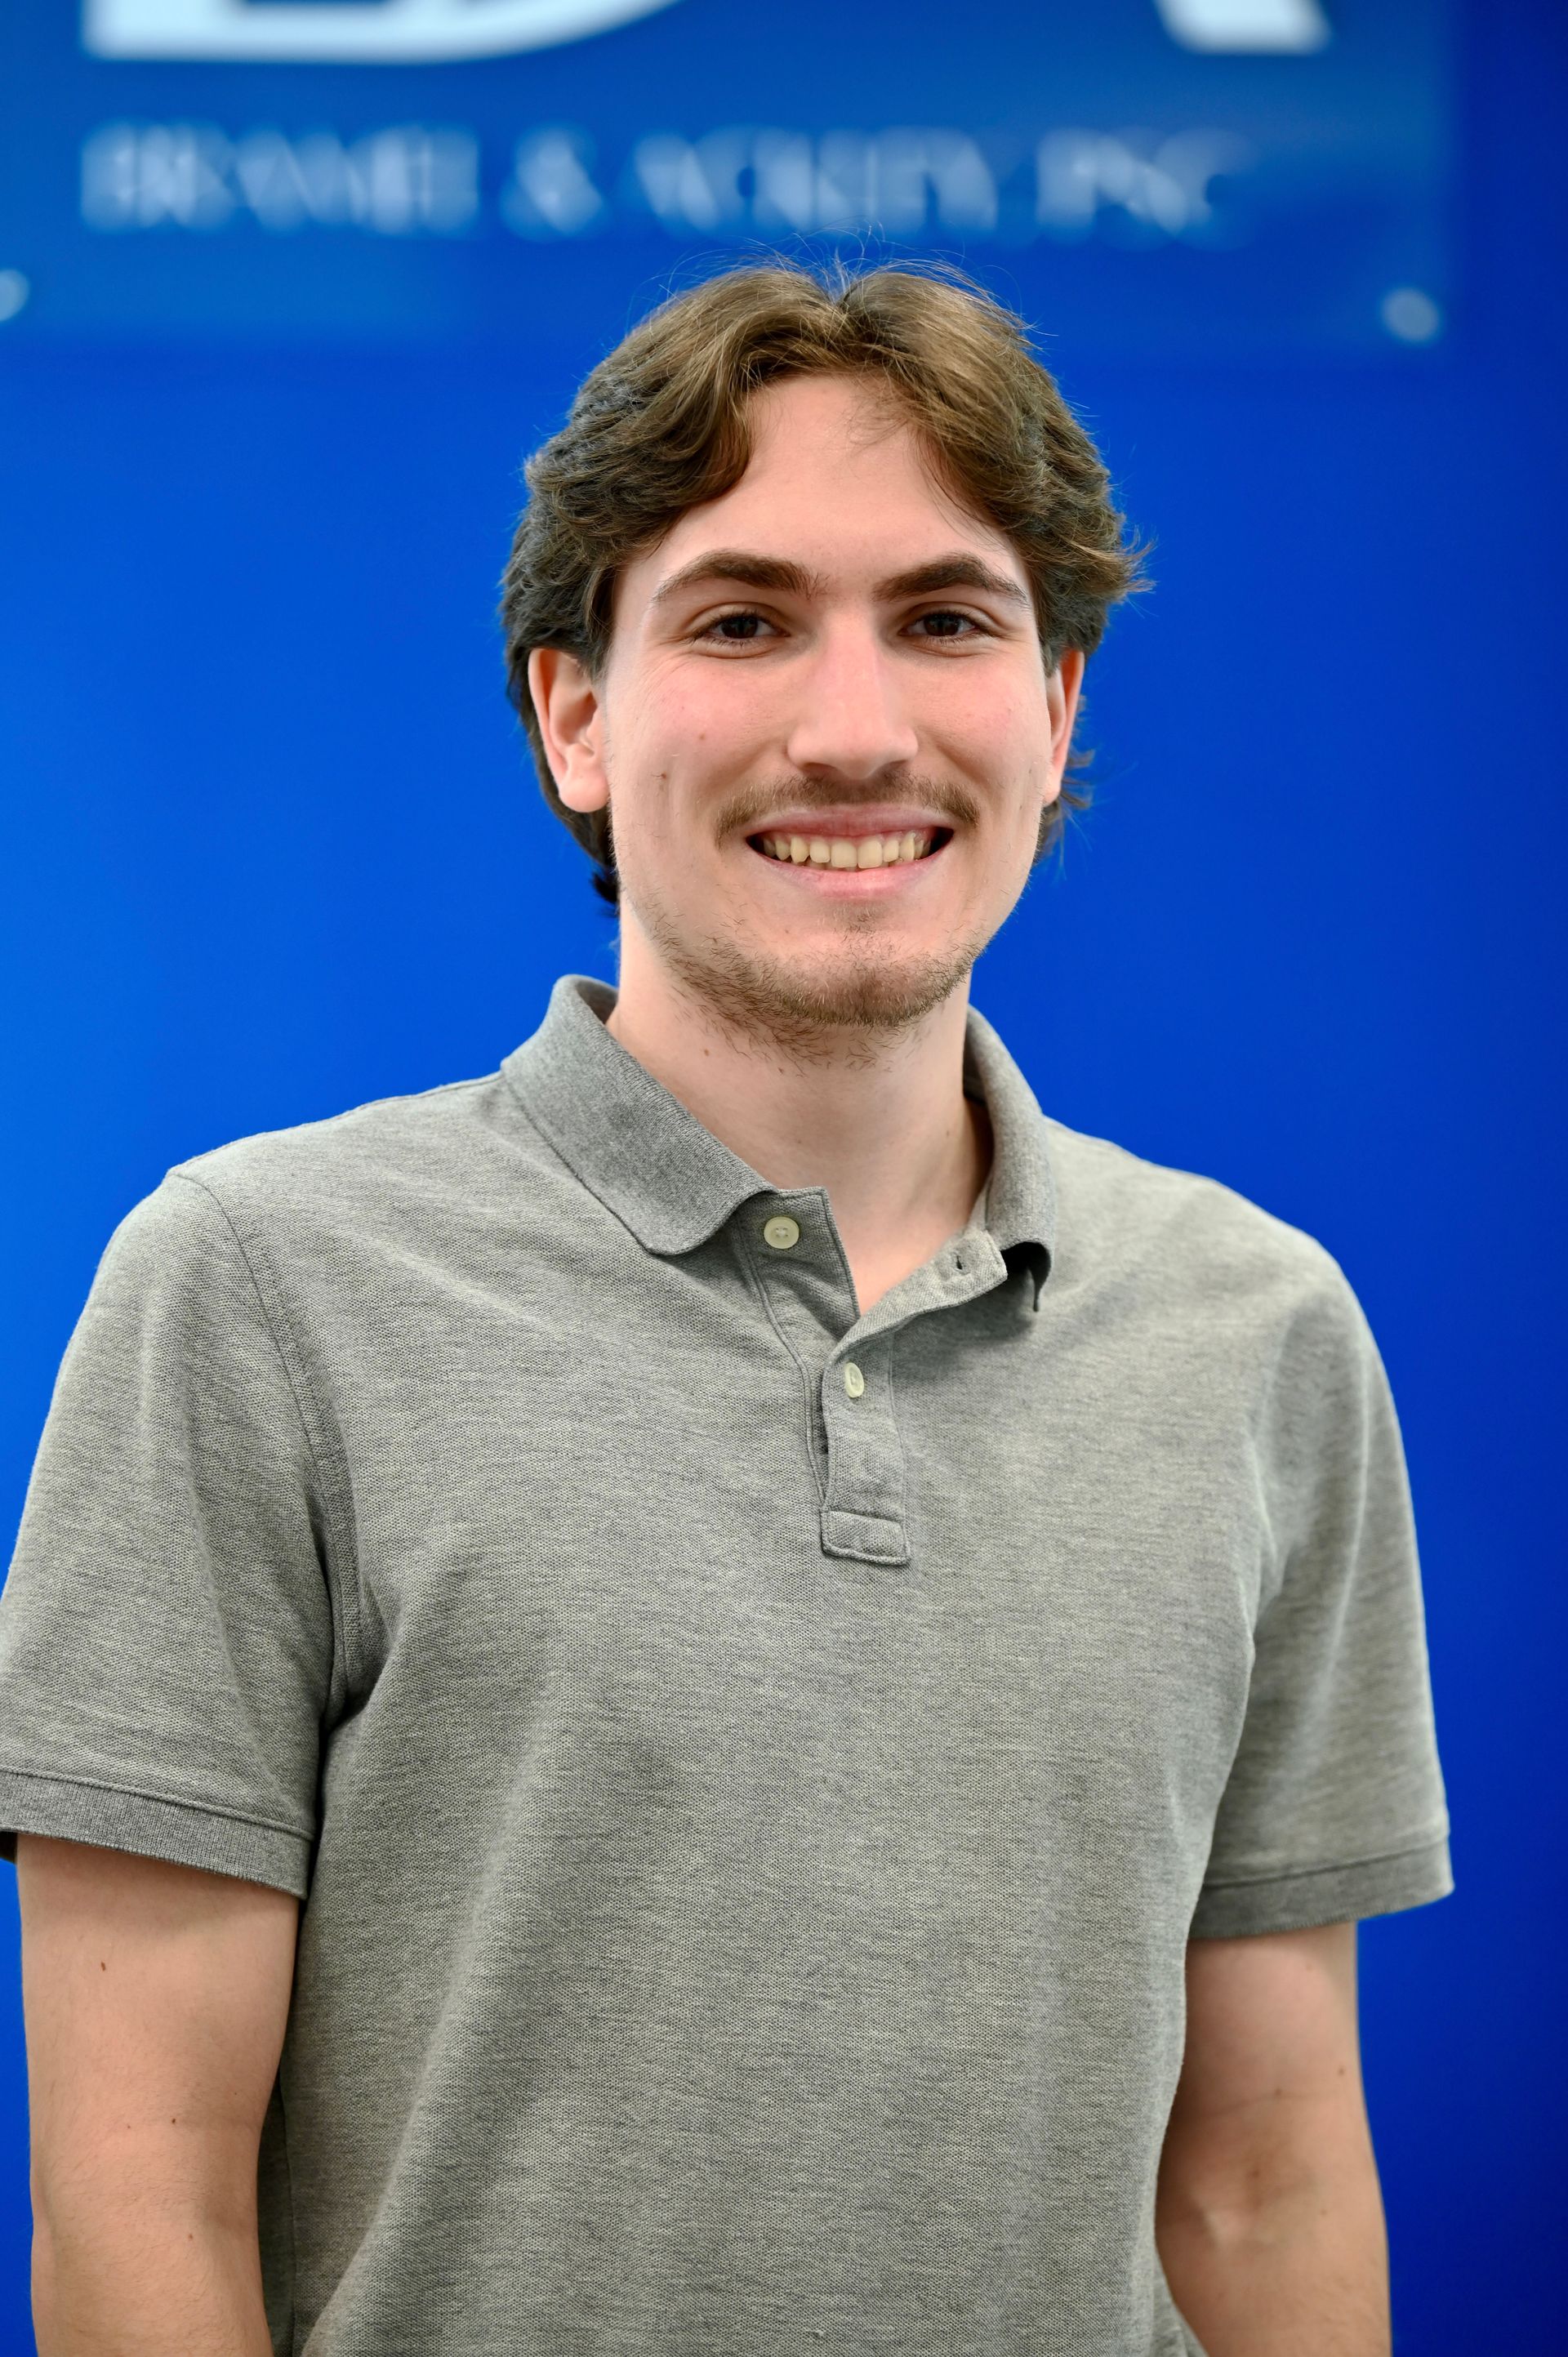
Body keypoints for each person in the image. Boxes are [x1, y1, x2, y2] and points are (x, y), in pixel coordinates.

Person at [0, 260, 1450, 2357]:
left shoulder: (1262, 1331)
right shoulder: (253, 1289)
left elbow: (1267, 2178)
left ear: (1053, 714)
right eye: (742, 619)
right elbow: (140, 2210)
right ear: (575, 716)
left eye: (947, 621)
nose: (852, 728)